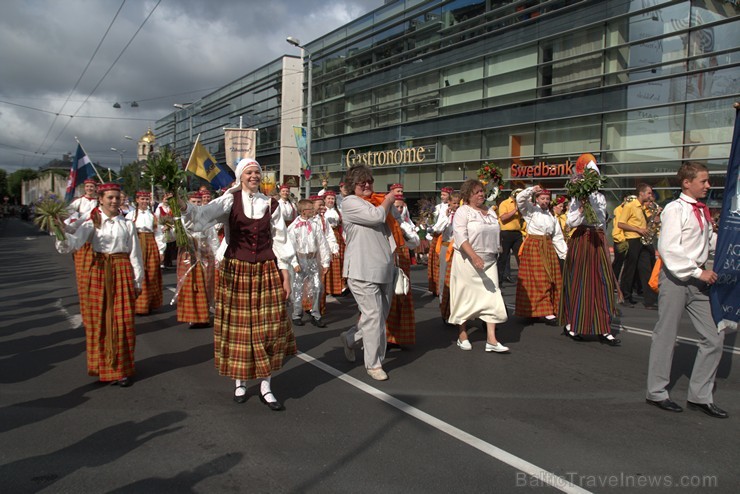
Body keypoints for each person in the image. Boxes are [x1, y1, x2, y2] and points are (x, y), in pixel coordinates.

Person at [181, 158, 296, 410]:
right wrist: (181, 205)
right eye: (249, 172)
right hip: (237, 269)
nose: (254, 176)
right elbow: (200, 218)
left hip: (266, 269)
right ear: (240, 176)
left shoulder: (271, 204)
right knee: (239, 328)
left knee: (269, 327)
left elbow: (280, 239)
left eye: (257, 172)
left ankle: (266, 385)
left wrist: (285, 273)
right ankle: (240, 382)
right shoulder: (228, 201)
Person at [645, 162, 727, 418]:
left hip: (698, 281)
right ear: (687, 183)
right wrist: (697, 271)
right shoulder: (674, 209)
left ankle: (700, 396)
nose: (708, 185)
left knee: (714, 337)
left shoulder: (702, 211)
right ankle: (656, 392)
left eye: (708, 180)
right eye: (703, 181)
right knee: (666, 336)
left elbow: (709, 242)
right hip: (677, 279)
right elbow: (669, 248)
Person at [56, 183, 143, 386]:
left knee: (123, 322)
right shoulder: (91, 223)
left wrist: (137, 281)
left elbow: (135, 255)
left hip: (121, 271)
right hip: (100, 272)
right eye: (110, 197)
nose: (114, 201)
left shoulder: (128, 224)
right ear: (101, 199)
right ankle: (102, 365)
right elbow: (73, 244)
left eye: (116, 197)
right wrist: (60, 233)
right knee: (100, 321)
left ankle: (121, 369)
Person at [338, 165, 401, 381]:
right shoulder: (349, 203)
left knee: (378, 317)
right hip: (361, 269)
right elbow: (376, 217)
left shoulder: (376, 203)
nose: (366, 185)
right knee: (374, 316)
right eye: (361, 182)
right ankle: (374, 364)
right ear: (351, 186)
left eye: (369, 181)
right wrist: (389, 200)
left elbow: (394, 225)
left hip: (384, 267)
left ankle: (350, 338)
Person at [559, 154, 621, 346]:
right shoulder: (578, 196)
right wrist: (581, 208)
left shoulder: (601, 197)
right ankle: (573, 324)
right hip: (582, 241)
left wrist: (604, 241)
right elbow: (571, 222)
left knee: (602, 283)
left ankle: (603, 327)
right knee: (580, 283)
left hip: (597, 239)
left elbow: (601, 221)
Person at [449, 179, 509, 353]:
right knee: (464, 296)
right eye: (477, 192)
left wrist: (498, 247)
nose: (481, 194)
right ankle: (462, 334)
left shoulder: (489, 211)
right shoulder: (463, 211)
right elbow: (460, 236)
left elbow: (495, 232)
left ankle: (491, 339)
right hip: (467, 260)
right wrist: (474, 256)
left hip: (489, 261)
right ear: (468, 195)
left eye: (482, 191)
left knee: (493, 297)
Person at [514, 186, 567, 325]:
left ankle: (545, 309)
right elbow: (520, 199)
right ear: (537, 199)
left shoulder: (551, 216)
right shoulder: (530, 211)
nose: (545, 201)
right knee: (538, 279)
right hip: (534, 246)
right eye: (542, 198)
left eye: (547, 199)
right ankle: (542, 311)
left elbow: (557, 236)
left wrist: (564, 254)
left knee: (551, 278)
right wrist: (531, 190)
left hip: (548, 247)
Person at [288, 199, 331, 327]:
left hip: (312, 259)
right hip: (300, 258)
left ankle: (315, 314)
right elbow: (290, 247)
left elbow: (322, 243)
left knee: (317, 287)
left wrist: (325, 262)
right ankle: (297, 313)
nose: (313, 211)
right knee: (298, 287)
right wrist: (294, 263)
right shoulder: (293, 227)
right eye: (310, 209)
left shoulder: (315, 225)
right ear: (303, 211)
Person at [175, 192, 215, 329]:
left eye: (199, 202)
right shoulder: (180, 218)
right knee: (190, 285)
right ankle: (192, 316)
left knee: (205, 285)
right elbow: (172, 238)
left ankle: (203, 315)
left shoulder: (206, 218)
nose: (197, 205)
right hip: (188, 255)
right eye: (194, 202)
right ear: (188, 202)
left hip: (204, 254)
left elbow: (212, 238)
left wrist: (216, 256)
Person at [386, 186, 419, 348]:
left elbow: (414, 242)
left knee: (402, 293)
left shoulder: (405, 224)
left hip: (402, 259)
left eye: (401, 207)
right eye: (396, 206)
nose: (398, 209)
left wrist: (403, 232)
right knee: (387, 298)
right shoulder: (385, 221)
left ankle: (399, 336)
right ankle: (386, 335)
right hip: (387, 260)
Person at [618, 183, 658, 309]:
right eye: (649, 193)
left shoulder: (642, 208)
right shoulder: (630, 206)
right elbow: (621, 224)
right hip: (632, 240)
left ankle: (649, 301)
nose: (651, 196)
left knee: (646, 269)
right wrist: (638, 230)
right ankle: (625, 297)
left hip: (642, 240)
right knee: (630, 270)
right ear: (641, 193)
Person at [125, 191, 163, 315]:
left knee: (151, 273)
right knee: (137, 272)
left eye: (146, 199)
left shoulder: (153, 216)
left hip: (150, 243)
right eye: (142, 199)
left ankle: (150, 302)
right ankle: (137, 304)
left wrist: (161, 250)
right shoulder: (130, 215)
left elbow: (158, 234)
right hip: (137, 242)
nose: (144, 201)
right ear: (137, 200)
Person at [65, 178, 98, 317]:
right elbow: (67, 216)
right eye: (88, 186)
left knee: (96, 269)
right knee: (83, 270)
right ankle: (85, 296)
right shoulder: (78, 202)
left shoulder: (98, 201)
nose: (90, 188)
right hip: (82, 236)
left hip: (96, 237)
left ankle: (95, 295)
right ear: (85, 188)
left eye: (92, 186)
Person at [439, 191, 461, 324]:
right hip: (446, 246)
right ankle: (443, 305)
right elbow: (437, 229)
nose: (457, 205)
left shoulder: (462, 214)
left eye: (459, 203)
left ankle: (456, 307)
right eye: (454, 203)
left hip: (458, 248)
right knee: (444, 278)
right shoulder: (443, 213)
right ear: (449, 203)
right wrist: (446, 218)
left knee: (457, 278)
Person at [428, 187, 451, 295]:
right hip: (437, 235)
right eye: (441, 194)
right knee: (435, 262)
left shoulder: (452, 208)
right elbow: (431, 220)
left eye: (444, 195)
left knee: (442, 262)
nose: (442, 197)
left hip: (445, 236)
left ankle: (442, 288)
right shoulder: (437, 207)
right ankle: (435, 287)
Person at [498, 188, 524, 285]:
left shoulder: (520, 204)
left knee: (520, 256)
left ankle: (522, 280)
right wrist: (516, 210)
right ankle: (499, 281)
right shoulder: (505, 203)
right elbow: (503, 218)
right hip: (506, 233)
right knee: (503, 257)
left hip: (517, 233)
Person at [323, 190, 346, 296]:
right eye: (329, 198)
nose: (331, 200)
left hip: (337, 235)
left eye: (332, 199)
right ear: (324, 200)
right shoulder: (323, 211)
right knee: (328, 260)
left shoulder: (337, 211)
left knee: (339, 261)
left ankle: (338, 286)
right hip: (326, 236)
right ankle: (327, 287)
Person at [611, 195, 634, 283]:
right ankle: (613, 283)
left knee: (630, 264)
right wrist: (621, 239)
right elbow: (618, 226)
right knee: (618, 262)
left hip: (629, 238)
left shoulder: (632, 209)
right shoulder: (619, 210)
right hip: (620, 240)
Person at [154, 193, 177, 269]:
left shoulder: (172, 208)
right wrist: (163, 227)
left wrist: (170, 225)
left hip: (170, 228)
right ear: (162, 199)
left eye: (168, 199)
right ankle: (161, 262)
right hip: (162, 228)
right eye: (166, 198)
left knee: (170, 245)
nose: (167, 201)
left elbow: (174, 218)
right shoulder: (159, 208)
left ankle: (169, 261)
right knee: (162, 244)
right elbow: (157, 220)